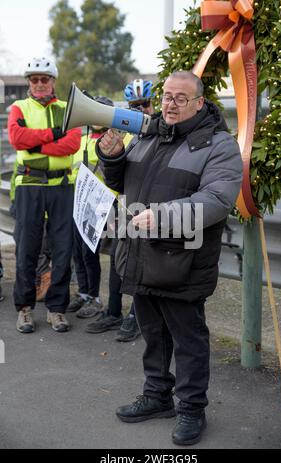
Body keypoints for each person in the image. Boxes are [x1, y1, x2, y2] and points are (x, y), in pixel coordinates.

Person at [96, 71, 243, 446]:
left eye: (180, 98)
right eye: (166, 97)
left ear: (199, 103)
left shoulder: (219, 144)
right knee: (153, 333)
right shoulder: (149, 133)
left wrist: (162, 217)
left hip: (184, 261)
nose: (170, 104)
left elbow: (217, 200)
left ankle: (192, 408)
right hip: (142, 253)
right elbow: (124, 183)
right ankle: (157, 395)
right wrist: (112, 157)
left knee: (188, 339)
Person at [8, 56, 81, 333]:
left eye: (45, 79)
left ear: (53, 82)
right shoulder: (19, 107)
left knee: (63, 249)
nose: (40, 84)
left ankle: (57, 309)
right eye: (35, 79)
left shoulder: (68, 108)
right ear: (29, 83)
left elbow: (72, 144)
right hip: (30, 184)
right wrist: (53, 134)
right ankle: (25, 309)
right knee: (27, 247)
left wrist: (35, 146)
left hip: (61, 186)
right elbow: (17, 139)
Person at [86, 79, 155, 341]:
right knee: (117, 260)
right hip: (124, 207)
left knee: (143, 264)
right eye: (134, 106)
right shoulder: (124, 132)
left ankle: (136, 316)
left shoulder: (160, 130)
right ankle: (113, 311)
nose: (140, 111)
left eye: (144, 105)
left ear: (152, 103)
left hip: (150, 210)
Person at [66, 96, 115, 319]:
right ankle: (83, 292)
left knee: (89, 254)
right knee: (77, 253)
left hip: (102, 206)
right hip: (80, 204)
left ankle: (94, 297)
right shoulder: (82, 140)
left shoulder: (114, 140)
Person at [9, 160, 52, 302]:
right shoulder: (23, 152)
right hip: (24, 204)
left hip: (41, 209)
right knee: (23, 244)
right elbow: (16, 177)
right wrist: (14, 200)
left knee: (38, 248)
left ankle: (45, 275)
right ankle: (38, 282)